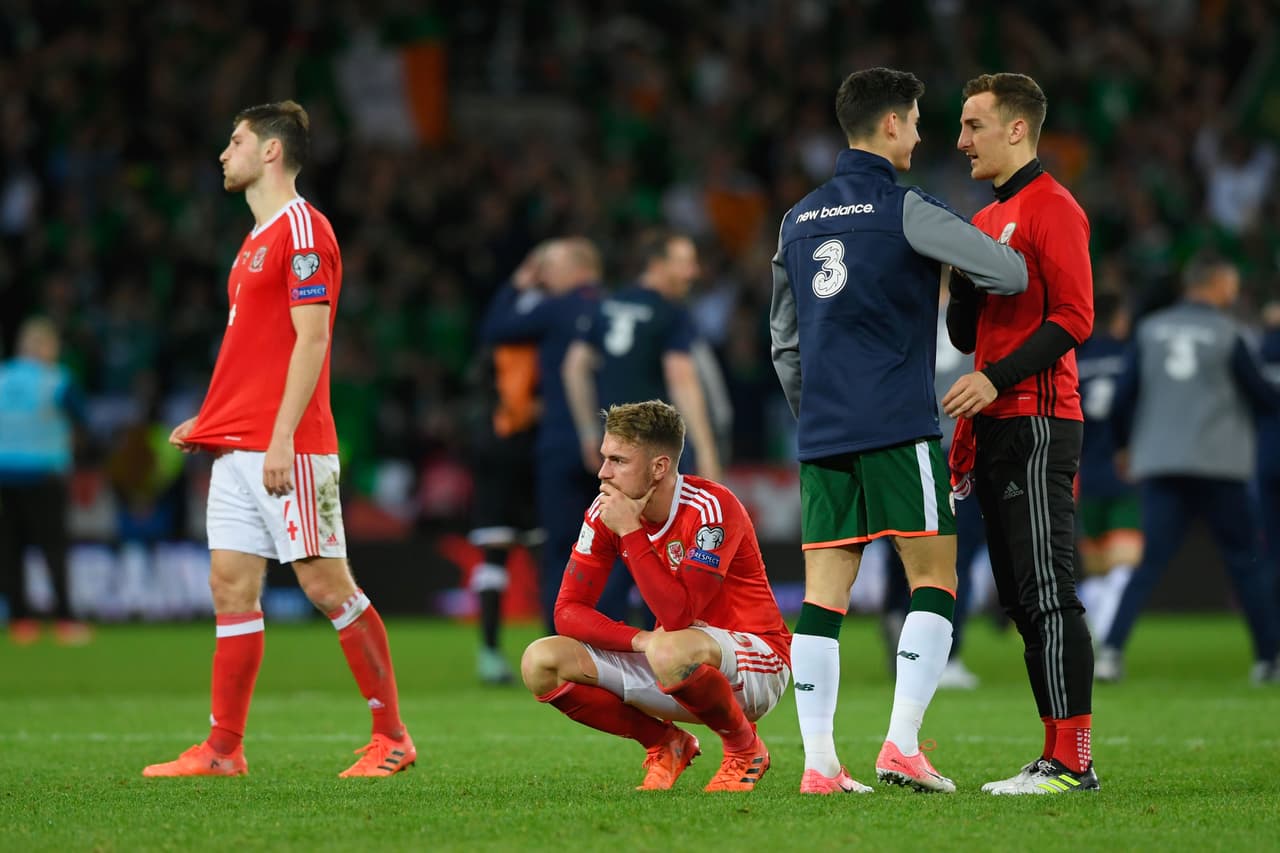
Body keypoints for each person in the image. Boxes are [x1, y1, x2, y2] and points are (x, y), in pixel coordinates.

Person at [771, 67, 1028, 795]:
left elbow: (782, 344)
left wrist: (814, 413)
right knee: (934, 580)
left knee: (824, 596)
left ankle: (819, 764)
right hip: (897, 426)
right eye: (916, 119)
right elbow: (1008, 272)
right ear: (889, 124)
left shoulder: (796, 219)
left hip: (822, 434)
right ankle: (901, 745)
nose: (922, 133)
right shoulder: (905, 207)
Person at [143, 101, 414, 778]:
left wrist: (282, 437)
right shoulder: (254, 241)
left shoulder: (303, 229)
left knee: (326, 584)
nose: (222, 153)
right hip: (239, 446)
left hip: (287, 446)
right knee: (231, 587)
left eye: (234, 141)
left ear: (270, 151)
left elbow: (312, 338)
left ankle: (393, 736)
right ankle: (223, 749)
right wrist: (211, 420)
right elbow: (254, 351)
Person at [942, 72, 1098, 795]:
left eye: (974, 125)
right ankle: (1053, 755)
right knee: (1017, 597)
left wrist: (997, 377)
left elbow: (1073, 317)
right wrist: (964, 283)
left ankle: (1073, 762)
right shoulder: (981, 223)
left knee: (1048, 589)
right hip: (997, 421)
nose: (961, 139)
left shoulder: (1054, 207)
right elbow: (965, 330)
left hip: (1038, 418)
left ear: (1016, 129)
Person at [520, 400, 791, 792]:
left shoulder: (711, 509)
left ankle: (744, 748)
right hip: (674, 665)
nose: (602, 472)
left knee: (671, 647)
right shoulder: (604, 512)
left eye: (618, 461)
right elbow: (567, 611)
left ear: (659, 467)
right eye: (604, 458)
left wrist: (631, 532)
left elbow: (680, 616)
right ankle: (666, 744)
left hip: (756, 665)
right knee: (541, 660)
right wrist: (642, 640)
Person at [1101, 255, 1280, 684]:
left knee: (1149, 564)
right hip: (1219, 466)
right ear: (1218, 284)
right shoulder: (1230, 331)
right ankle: (1268, 659)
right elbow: (1262, 395)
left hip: (1162, 462)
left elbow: (1123, 398)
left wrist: (1125, 446)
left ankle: (1110, 653)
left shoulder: (1149, 330)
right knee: (1245, 562)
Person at [563, 228, 723, 625]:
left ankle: (594, 633)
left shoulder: (606, 304)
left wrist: (588, 431)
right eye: (684, 262)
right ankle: (653, 639)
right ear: (657, 264)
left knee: (605, 540)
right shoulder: (670, 313)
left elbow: (574, 367)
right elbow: (683, 380)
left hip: (610, 447)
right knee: (650, 541)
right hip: (651, 449)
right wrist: (706, 449)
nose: (693, 272)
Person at [481, 236, 603, 632]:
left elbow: (495, 329)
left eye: (549, 267)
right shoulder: (616, 306)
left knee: (562, 549)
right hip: (614, 445)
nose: (544, 277)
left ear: (579, 266)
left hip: (561, 444)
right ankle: (621, 639)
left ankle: (560, 643)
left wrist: (518, 282)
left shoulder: (556, 309)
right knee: (622, 546)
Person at [881, 280, 989, 691]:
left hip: (906, 445)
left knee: (904, 541)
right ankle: (947, 654)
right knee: (955, 552)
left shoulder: (899, 312)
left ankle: (896, 614)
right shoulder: (974, 319)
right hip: (954, 447)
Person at [465, 245, 549, 684]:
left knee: (496, 552)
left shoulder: (499, 322)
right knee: (540, 550)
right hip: (525, 447)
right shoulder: (548, 317)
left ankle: (490, 652)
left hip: (495, 443)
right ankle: (555, 646)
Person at [0, 317, 89, 645]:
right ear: (45, 347)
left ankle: (20, 621)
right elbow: (83, 418)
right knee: (53, 547)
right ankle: (65, 619)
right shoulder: (56, 381)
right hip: (44, 473)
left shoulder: (2, 377)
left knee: (10, 548)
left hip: (4, 474)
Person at [1074, 291, 1142, 644]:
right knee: (1126, 561)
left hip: (1084, 467)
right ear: (1119, 319)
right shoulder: (1130, 356)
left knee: (1098, 564)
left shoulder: (1076, 356)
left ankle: (1093, 624)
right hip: (1124, 465)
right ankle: (1108, 633)